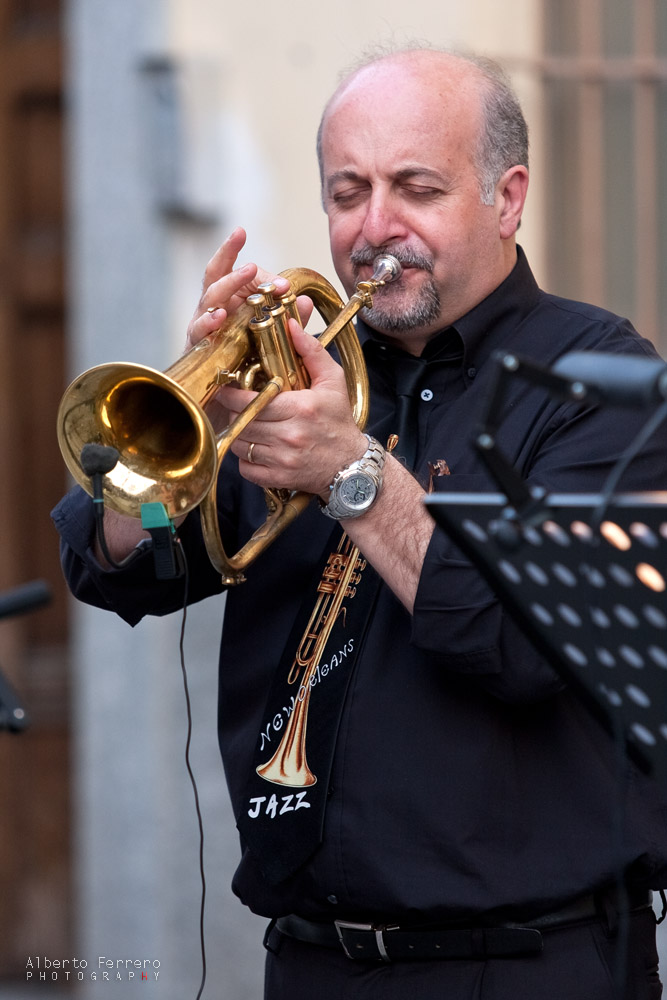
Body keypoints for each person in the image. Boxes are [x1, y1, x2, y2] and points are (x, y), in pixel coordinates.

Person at [52, 47, 667, 1000]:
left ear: (506, 199)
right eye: (347, 193)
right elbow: (111, 565)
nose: (375, 228)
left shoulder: (602, 383)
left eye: (415, 188)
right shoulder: (298, 376)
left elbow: (529, 642)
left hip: (524, 966)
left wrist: (353, 472)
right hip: (309, 962)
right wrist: (184, 409)